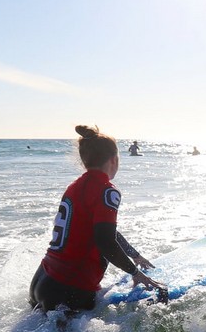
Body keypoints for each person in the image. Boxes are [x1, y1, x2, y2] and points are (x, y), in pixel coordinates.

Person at [29, 125, 163, 313]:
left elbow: (105, 232)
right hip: (69, 288)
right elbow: (105, 241)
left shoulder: (75, 187)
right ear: (114, 160)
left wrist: (135, 256)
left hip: (42, 280)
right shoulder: (107, 190)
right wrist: (135, 273)